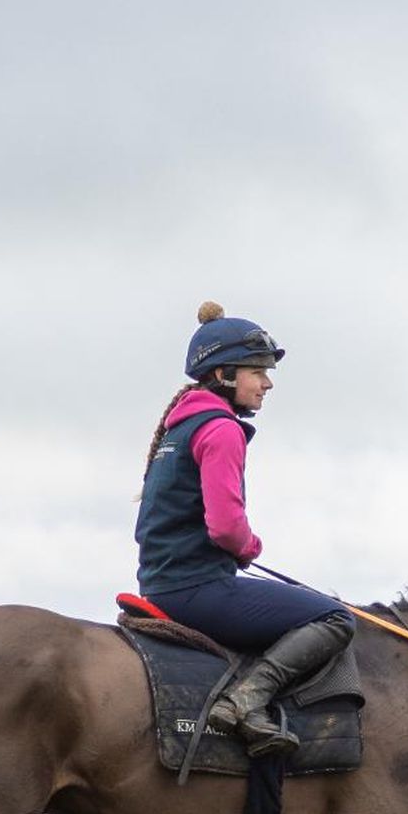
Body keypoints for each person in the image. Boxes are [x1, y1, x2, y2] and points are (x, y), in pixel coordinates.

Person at [132, 303, 354, 755]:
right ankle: (245, 700)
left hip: (162, 584)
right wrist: (249, 547)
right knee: (336, 617)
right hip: (197, 588)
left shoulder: (183, 426)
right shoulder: (221, 429)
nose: (268, 383)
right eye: (259, 372)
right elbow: (226, 528)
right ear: (225, 374)